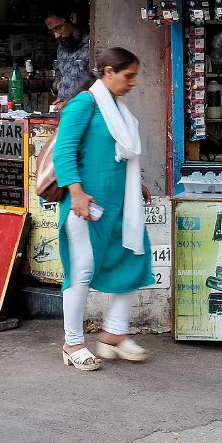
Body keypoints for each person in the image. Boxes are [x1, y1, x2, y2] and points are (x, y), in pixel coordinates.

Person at [54, 47, 154, 371]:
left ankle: (114, 333)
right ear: (108, 72)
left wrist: (135, 184)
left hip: (120, 204)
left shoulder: (117, 109)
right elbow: (64, 152)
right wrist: (77, 193)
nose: (132, 83)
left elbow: (116, 156)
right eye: (128, 76)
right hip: (87, 205)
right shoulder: (85, 104)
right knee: (82, 269)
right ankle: (72, 342)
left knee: (134, 260)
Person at [44, 6, 91, 112]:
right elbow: (58, 74)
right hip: (64, 111)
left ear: (72, 18)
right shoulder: (62, 47)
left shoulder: (92, 46)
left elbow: (97, 85)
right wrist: (58, 86)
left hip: (84, 111)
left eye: (58, 27)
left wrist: (70, 100)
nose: (56, 35)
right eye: (53, 31)